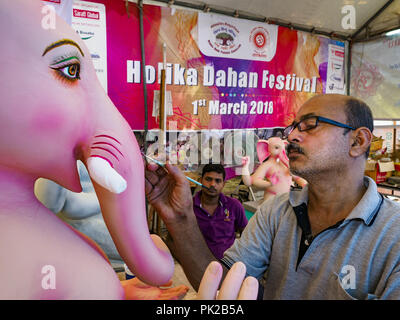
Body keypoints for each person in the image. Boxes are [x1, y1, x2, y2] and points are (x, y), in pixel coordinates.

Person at [145, 93, 400, 299]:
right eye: (293, 127)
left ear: (357, 141)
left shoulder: (393, 236)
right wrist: (180, 218)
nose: (292, 136)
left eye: (310, 125)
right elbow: (222, 284)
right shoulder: (276, 212)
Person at [193, 164, 248, 259]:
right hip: (198, 262)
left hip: (228, 262)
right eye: (208, 179)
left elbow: (246, 234)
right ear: (200, 181)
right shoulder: (189, 206)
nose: (213, 184)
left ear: (223, 184)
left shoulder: (234, 205)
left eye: (218, 181)